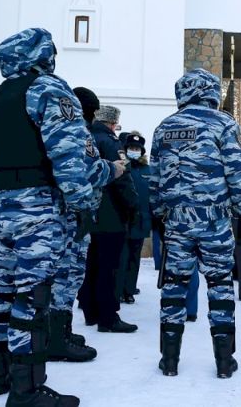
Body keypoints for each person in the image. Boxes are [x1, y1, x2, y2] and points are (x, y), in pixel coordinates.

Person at [0, 27, 92, 406]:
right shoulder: (49, 90)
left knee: (3, 288)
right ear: (42, 54)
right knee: (33, 293)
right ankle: (26, 390)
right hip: (39, 207)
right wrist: (81, 203)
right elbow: (69, 155)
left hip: (2, 207)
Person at [149, 68, 241, 378]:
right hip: (215, 223)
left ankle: (169, 360)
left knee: (174, 288)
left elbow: (155, 178)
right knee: (220, 286)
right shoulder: (223, 123)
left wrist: (159, 213)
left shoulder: (164, 127)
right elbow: (237, 172)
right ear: (210, 91)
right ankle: (224, 361)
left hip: (177, 223)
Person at [47, 87, 126, 362]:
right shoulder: (78, 131)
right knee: (69, 276)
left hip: (49, 211)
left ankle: (60, 332)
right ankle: (58, 338)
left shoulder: (48, 124)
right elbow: (89, 170)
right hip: (77, 214)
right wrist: (114, 169)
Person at [78, 105, 140, 333]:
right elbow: (122, 177)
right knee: (110, 266)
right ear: (113, 123)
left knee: (91, 263)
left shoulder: (85, 138)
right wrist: (133, 205)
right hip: (111, 213)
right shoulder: (111, 143)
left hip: (89, 211)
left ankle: (90, 310)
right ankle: (108, 317)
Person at [117, 132, 152, 304]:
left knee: (134, 257)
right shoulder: (122, 167)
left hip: (141, 220)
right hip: (123, 218)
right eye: (131, 148)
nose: (134, 151)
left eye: (137, 149)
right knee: (121, 256)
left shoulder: (148, 170)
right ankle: (118, 289)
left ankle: (129, 290)